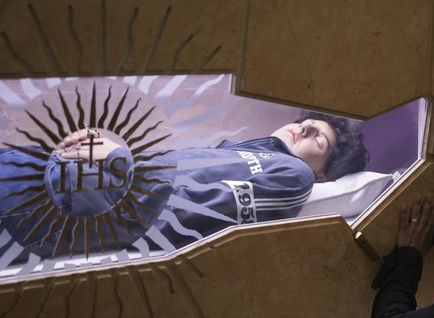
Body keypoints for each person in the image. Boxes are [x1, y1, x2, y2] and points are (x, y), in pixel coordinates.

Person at [0, 111, 368, 259]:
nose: (304, 126)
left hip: (66, 206)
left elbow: (188, 217)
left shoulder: (295, 176)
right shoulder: (234, 150)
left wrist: (114, 155)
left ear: (321, 174)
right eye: (309, 121)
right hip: (52, 183)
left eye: (319, 140)